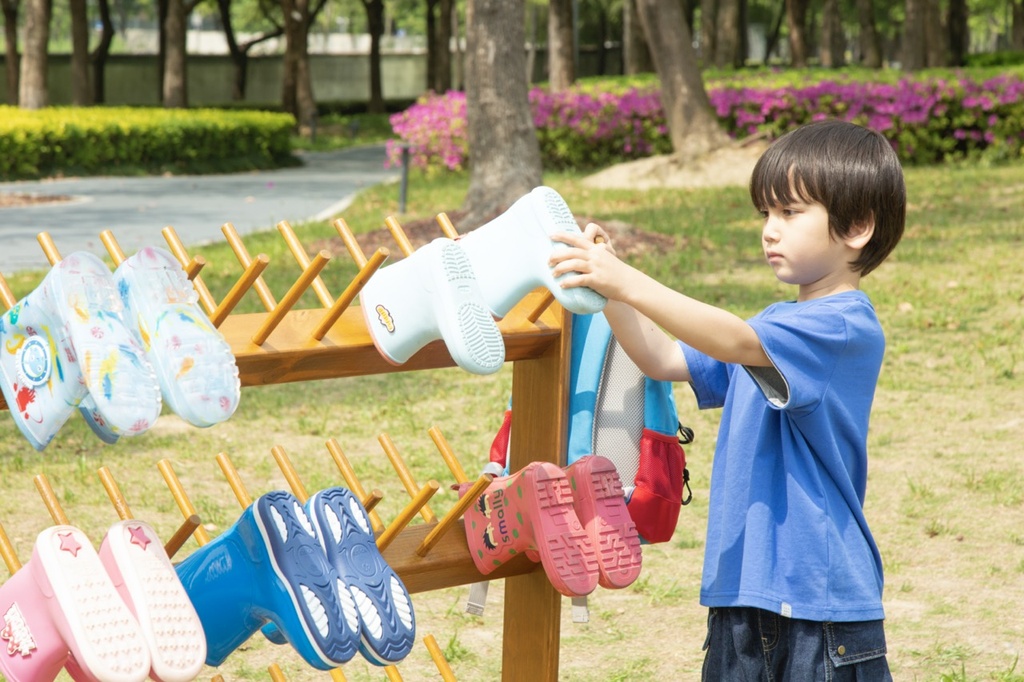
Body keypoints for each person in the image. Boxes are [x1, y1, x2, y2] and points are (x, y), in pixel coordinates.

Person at [549, 119, 905, 680]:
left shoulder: (841, 326)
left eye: (790, 213)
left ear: (857, 226)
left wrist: (626, 279)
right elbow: (662, 358)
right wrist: (608, 292)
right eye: (765, 213)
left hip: (822, 607)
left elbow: (732, 338)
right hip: (741, 592)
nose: (770, 230)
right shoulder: (774, 327)